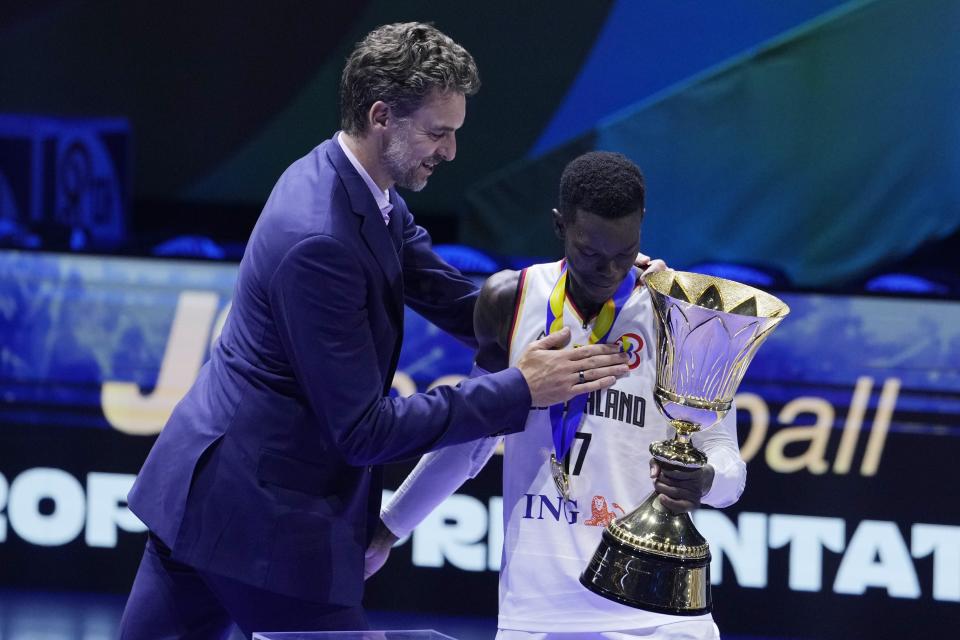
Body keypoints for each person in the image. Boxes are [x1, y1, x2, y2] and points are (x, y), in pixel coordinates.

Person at [119, 24, 634, 638]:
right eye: (437, 133)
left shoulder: (356, 182)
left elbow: (448, 293)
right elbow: (364, 430)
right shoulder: (320, 242)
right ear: (382, 115)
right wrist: (522, 388)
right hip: (261, 526)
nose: (449, 152)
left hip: (208, 498)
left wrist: (571, 307)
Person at [366, 152, 747, 640]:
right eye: (591, 253)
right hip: (538, 612)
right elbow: (471, 444)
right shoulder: (510, 301)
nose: (609, 270)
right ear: (559, 225)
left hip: (660, 617)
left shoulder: (686, 317)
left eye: (624, 252)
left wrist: (706, 480)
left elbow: (727, 468)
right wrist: (390, 527)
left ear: (642, 227)